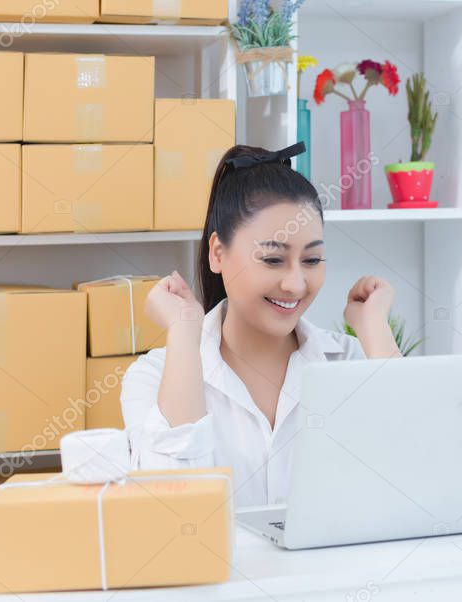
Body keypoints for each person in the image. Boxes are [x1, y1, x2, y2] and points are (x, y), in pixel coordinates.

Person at [120, 143, 402, 507]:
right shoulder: (154, 376)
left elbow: (407, 473)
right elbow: (172, 502)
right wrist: (182, 335)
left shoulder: (350, 362)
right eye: (272, 259)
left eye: (312, 259)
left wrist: (375, 330)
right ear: (217, 253)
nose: (296, 284)